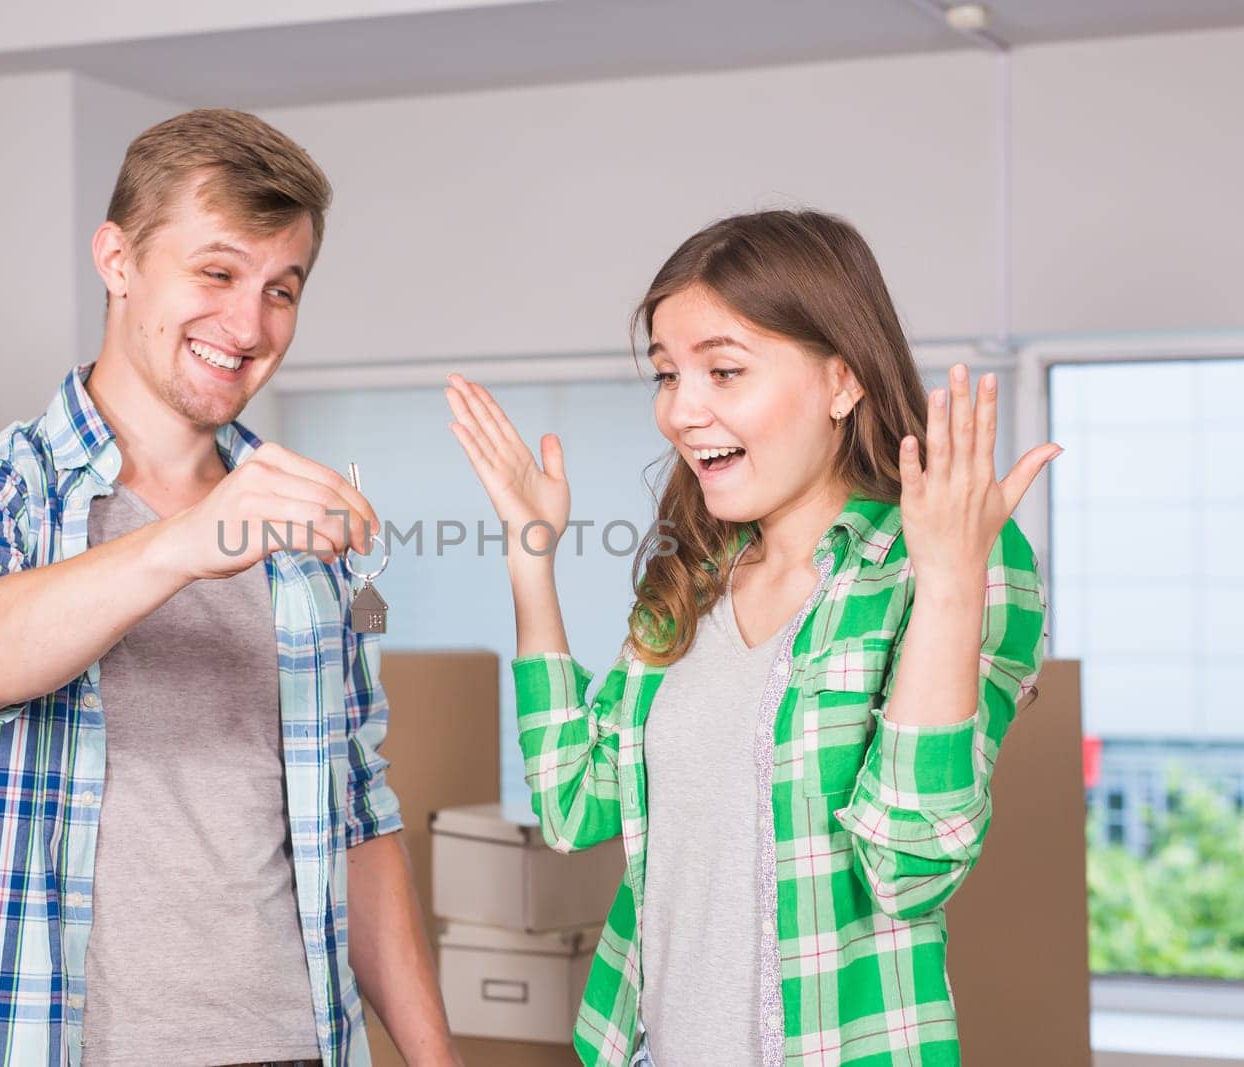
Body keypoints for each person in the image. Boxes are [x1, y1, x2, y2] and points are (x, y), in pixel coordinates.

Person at [0, 108, 456, 1067]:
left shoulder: (307, 529)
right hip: (37, 1042)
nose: (250, 325)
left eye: (283, 288)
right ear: (117, 258)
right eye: (218, 272)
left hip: (287, 1043)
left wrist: (438, 1060)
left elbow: (358, 812)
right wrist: (186, 542)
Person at [446, 210, 1055, 1065]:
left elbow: (910, 866)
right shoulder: (694, 579)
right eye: (667, 375)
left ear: (842, 381)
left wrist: (951, 585)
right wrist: (528, 559)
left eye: (724, 371)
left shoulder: (942, 563)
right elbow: (573, 806)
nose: (681, 412)